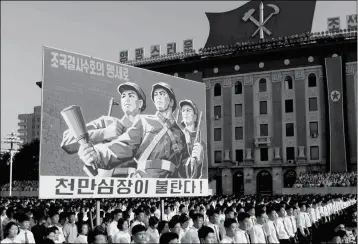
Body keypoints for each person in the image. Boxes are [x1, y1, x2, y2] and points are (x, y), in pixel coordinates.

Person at [78, 82, 203, 179]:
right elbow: (124, 145)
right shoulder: (144, 121)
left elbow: (185, 170)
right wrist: (97, 155)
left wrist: (197, 160)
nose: (158, 97)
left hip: (170, 182)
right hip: (146, 178)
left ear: (171, 101)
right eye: (156, 95)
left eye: (162, 94)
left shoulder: (180, 134)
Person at [61, 82, 147, 176]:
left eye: (131, 96)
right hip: (104, 184)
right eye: (123, 96)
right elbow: (67, 141)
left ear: (140, 103)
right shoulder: (107, 122)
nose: (126, 99)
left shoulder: (149, 131)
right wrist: (104, 133)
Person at [178, 99, 206, 179]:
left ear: (195, 116)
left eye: (188, 110)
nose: (185, 113)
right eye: (183, 111)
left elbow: (204, 172)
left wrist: (199, 161)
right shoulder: (177, 138)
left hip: (193, 184)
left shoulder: (202, 144)